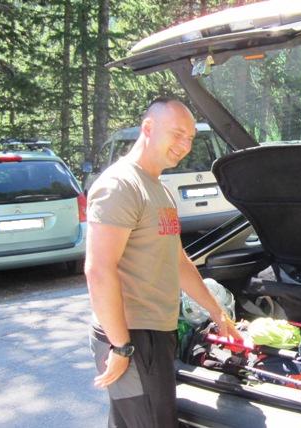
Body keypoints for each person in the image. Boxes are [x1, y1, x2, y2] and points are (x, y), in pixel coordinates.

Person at [85, 97, 243, 428]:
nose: (185, 145)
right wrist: (121, 347)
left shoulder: (157, 187)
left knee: (134, 421)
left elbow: (179, 261)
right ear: (148, 128)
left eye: (190, 137)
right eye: (177, 134)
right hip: (131, 335)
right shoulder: (120, 185)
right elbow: (99, 270)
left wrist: (218, 314)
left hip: (155, 333)